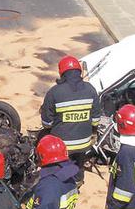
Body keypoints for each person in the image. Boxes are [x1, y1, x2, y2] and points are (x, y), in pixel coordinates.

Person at [40, 55, 101, 184]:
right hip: (84, 143)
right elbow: (96, 120)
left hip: (61, 146)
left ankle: (61, 183)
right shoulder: (90, 89)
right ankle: (78, 180)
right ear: (79, 71)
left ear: (62, 73)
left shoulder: (54, 92)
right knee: (78, 162)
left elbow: (47, 123)